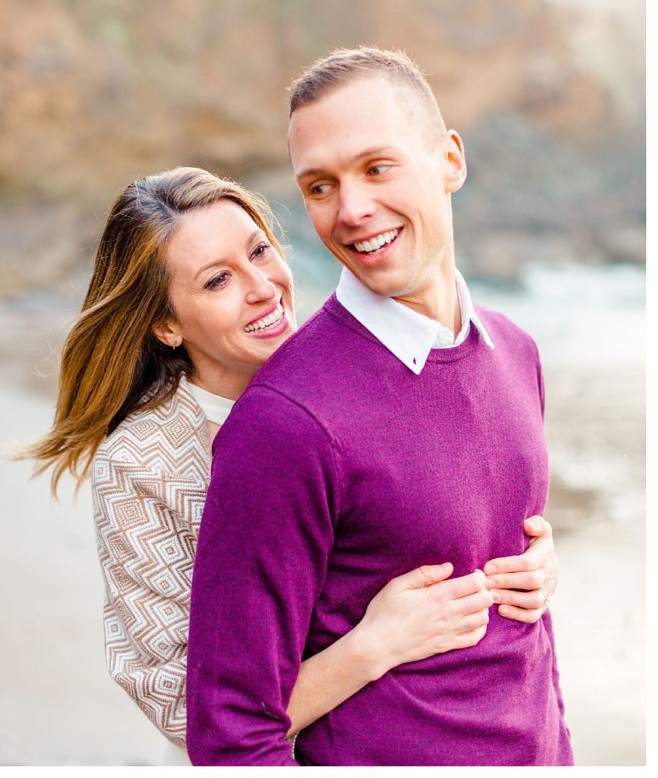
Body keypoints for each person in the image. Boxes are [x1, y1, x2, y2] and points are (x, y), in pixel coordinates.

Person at [18, 165, 559, 764]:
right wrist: (373, 646)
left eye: (260, 251)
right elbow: (184, 710)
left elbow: (432, 522)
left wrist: (528, 563)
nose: (263, 287)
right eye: (218, 281)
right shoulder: (143, 461)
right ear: (165, 323)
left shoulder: (362, 367)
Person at [186, 47, 574, 766]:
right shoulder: (285, 421)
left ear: (450, 160)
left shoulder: (517, 352)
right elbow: (231, 731)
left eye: (377, 167)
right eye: (321, 185)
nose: (352, 209)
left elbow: (522, 641)